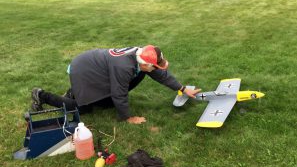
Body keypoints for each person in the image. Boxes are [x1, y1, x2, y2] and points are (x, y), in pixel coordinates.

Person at [31, 45, 201, 124]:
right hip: (83, 71)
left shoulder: (142, 56)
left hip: (94, 68)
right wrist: (128, 117)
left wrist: (182, 89)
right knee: (82, 109)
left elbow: (160, 74)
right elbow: (119, 93)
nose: (155, 68)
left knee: (107, 103)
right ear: (145, 63)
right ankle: (41, 95)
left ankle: (75, 91)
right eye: (154, 66)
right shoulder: (124, 67)